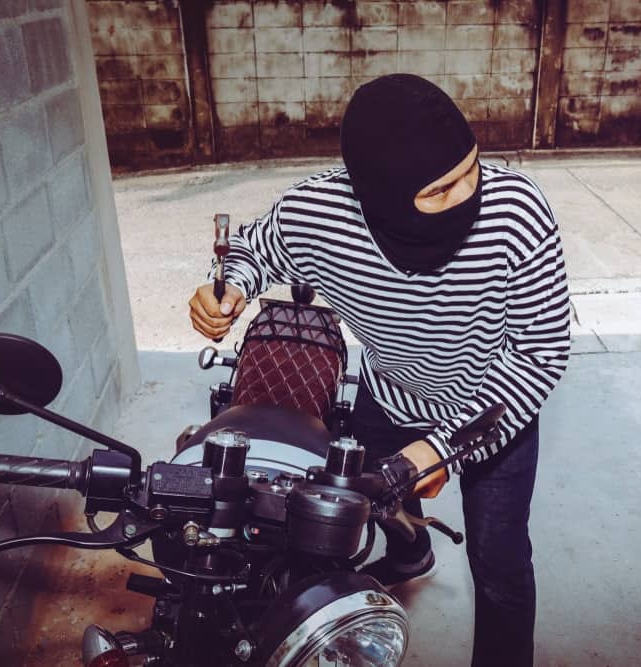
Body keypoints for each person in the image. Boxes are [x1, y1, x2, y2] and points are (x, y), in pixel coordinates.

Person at [189, 73, 570, 667]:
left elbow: (539, 353)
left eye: (472, 169)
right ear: (380, 194)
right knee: (360, 514)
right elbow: (253, 248)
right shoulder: (319, 214)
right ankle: (412, 550)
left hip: (493, 411)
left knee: (500, 564)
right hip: (389, 398)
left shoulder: (517, 212)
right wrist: (229, 288)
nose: (468, 195)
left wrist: (439, 450)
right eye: (440, 190)